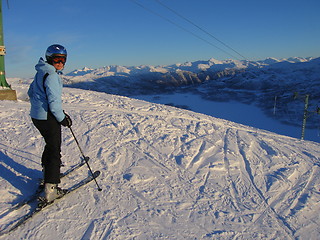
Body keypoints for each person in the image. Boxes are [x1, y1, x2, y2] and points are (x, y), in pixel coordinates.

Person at [28, 44, 72, 203]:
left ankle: (47, 174)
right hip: (48, 117)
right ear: (49, 58)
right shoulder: (52, 75)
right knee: (54, 148)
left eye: (63, 59)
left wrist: (39, 106)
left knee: (49, 145)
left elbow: (30, 92)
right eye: (57, 59)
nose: (60, 62)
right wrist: (62, 118)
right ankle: (50, 189)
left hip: (37, 116)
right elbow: (54, 103)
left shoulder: (41, 71)